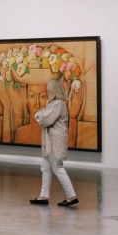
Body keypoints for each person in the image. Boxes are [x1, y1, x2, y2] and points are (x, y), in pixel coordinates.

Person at [29, 79, 78, 207]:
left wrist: (39, 115)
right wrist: (41, 115)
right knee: (45, 167)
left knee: (58, 168)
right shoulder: (53, 104)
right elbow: (43, 116)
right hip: (49, 142)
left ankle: (71, 196)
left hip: (55, 142)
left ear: (53, 90)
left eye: (48, 88)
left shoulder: (58, 104)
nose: (47, 90)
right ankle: (43, 196)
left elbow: (44, 120)